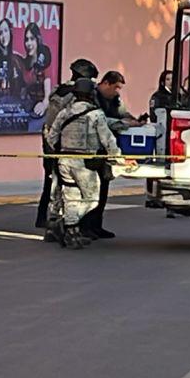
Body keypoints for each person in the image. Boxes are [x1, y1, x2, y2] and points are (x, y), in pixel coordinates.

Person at [47, 78, 122, 249]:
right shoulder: (96, 114)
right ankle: (66, 224)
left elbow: (51, 137)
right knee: (92, 199)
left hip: (64, 161)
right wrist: (118, 158)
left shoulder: (64, 113)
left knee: (72, 197)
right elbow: (108, 140)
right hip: (84, 163)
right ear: (91, 95)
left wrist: (61, 150)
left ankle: (71, 233)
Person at [36, 58, 99, 231]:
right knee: (69, 187)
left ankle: (45, 218)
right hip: (67, 145)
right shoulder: (77, 95)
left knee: (51, 181)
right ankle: (65, 224)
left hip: (50, 140)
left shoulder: (58, 90)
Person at [87, 70, 143, 238]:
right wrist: (123, 123)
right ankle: (86, 226)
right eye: (116, 87)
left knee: (103, 189)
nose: (117, 91)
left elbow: (123, 113)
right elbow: (100, 120)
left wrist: (135, 121)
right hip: (93, 148)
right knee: (90, 191)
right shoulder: (92, 97)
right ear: (105, 83)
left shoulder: (114, 99)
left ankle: (97, 225)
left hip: (107, 149)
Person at [18, 22, 54, 117]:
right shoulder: (23, 64)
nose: (28, 43)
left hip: (43, 111)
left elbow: (47, 97)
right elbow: (23, 92)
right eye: (26, 40)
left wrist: (43, 105)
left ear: (38, 40)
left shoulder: (45, 61)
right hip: (29, 108)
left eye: (32, 39)